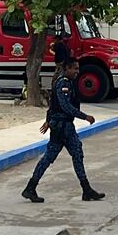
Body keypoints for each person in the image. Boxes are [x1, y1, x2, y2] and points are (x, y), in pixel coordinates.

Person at [21, 60, 106, 203]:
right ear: (66, 68)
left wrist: (48, 120)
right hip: (61, 127)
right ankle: (30, 188)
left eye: (78, 69)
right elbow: (65, 106)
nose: (77, 72)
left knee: (75, 153)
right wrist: (84, 116)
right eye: (74, 69)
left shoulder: (65, 82)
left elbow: (52, 105)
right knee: (52, 157)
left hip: (63, 126)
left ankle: (86, 190)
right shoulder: (63, 83)